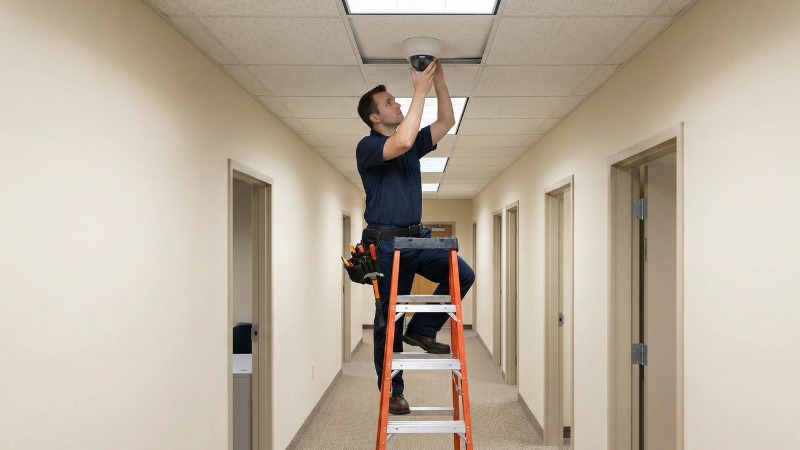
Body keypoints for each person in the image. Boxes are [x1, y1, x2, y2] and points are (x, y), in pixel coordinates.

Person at [355, 60, 475, 416]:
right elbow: (404, 138)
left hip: (417, 239)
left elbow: (446, 122)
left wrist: (438, 80)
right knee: (388, 321)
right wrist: (418, 88)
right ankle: (393, 390)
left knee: (462, 274)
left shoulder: (410, 146)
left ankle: (423, 330)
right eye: (390, 102)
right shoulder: (368, 147)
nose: (398, 103)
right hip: (387, 245)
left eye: (397, 99)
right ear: (375, 118)